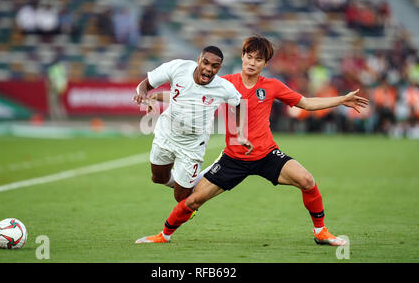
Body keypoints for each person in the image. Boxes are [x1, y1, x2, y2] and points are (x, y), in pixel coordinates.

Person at [135, 35, 369, 246]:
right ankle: (163, 235)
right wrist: (157, 95)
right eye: (249, 56)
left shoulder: (273, 86)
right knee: (192, 199)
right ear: (243, 57)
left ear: (265, 64)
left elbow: (306, 103)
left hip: (266, 154)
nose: (252, 62)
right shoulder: (225, 82)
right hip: (233, 159)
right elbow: (191, 94)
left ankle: (321, 232)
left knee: (307, 180)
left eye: (258, 59)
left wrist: (341, 100)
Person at [133, 46, 253, 203]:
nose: (209, 69)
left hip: (192, 145)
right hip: (166, 133)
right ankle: (188, 182)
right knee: (158, 178)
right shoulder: (178, 68)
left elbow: (239, 104)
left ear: (219, 68)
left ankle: (202, 177)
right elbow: (145, 84)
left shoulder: (223, 87)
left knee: (181, 198)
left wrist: (240, 133)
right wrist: (143, 95)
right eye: (205, 63)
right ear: (198, 60)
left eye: (214, 66)